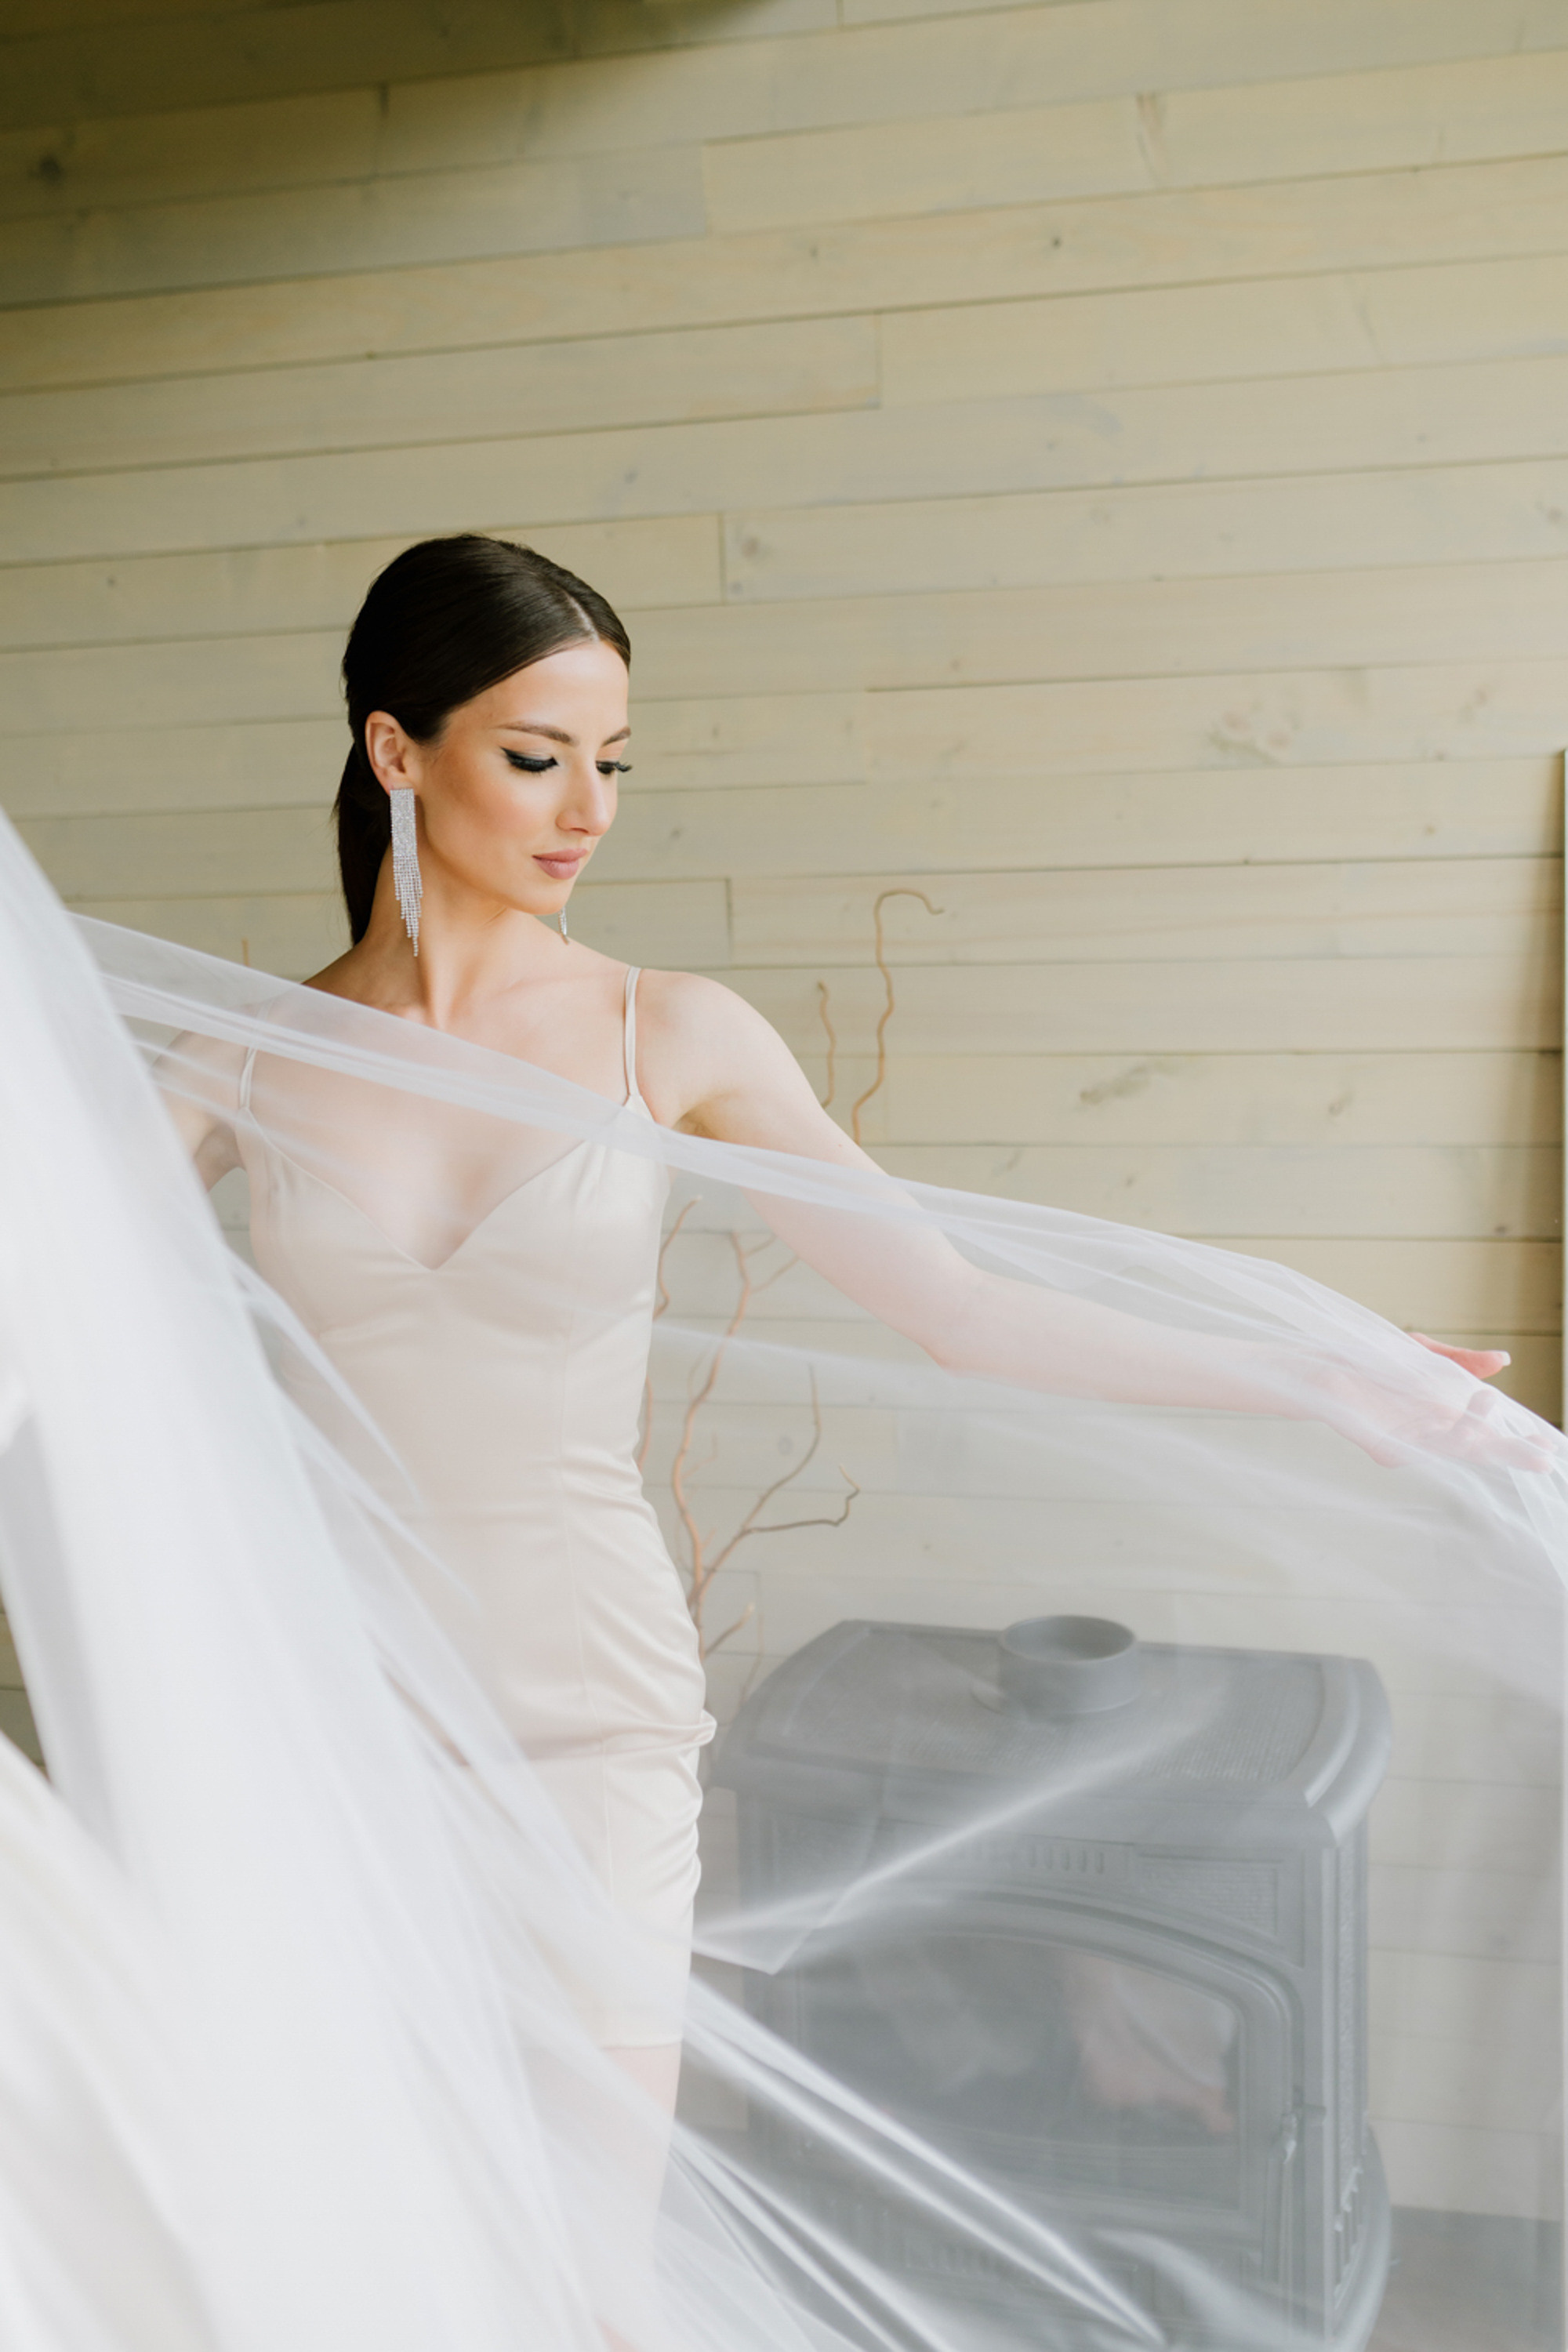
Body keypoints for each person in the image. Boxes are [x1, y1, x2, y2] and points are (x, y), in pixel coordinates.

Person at [161, 534, 1544, 2129]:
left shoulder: (664, 1031)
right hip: (325, 1697)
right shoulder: (239, 1058)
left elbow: (958, 1307)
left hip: (586, 1714)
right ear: (395, 750)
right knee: (349, 2204)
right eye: (537, 760)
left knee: (596, 2254)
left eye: (612, 762)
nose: (589, 811)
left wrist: (1314, 1376)